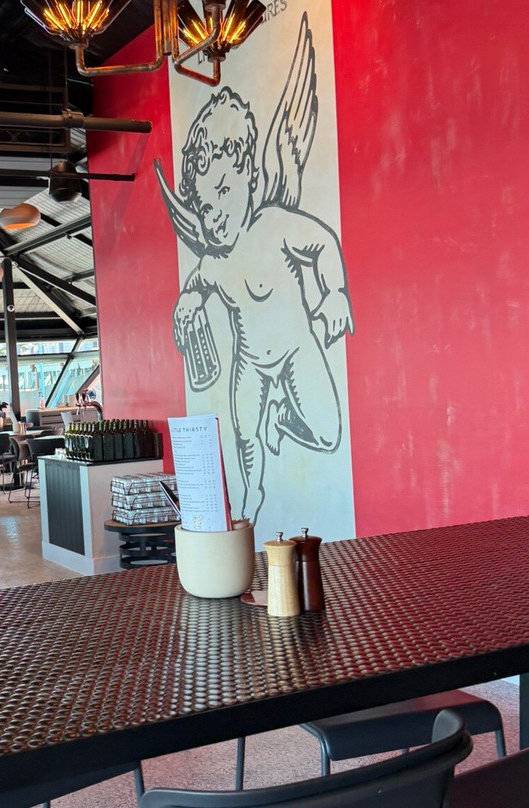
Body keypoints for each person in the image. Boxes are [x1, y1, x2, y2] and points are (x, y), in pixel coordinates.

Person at [156, 13, 352, 522]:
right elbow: (196, 284)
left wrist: (334, 294)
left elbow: (324, 243)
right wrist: (186, 302)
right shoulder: (213, 259)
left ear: (248, 177)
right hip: (250, 361)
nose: (215, 214)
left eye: (224, 192)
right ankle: (251, 498)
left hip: (295, 347)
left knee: (328, 433)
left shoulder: (272, 226)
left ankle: (284, 417)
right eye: (205, 205)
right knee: (245, 435)